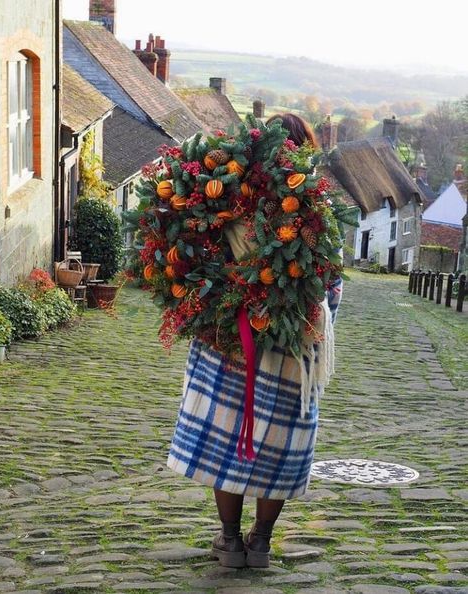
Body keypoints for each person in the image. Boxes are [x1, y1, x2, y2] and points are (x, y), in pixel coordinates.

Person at [167, 113, 343, 568]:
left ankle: (229, 540)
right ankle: (261, 540)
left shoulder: (229, 200)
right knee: (280, 440)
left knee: (222, 431)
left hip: (226, 336)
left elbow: (190, 254)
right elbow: (331, 287)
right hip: (291, 349)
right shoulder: (316, 213)